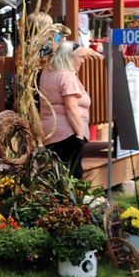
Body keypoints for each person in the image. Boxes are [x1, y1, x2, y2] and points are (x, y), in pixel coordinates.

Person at [38, 41, 91, 178]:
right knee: (73, 174)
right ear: (69, 56)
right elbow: (71, 107)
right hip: (68, 134)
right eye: (80, 57)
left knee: (57, 175)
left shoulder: (48, 73)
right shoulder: (67, 76)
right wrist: (80, 135)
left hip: (52, 132)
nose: (83, 61)